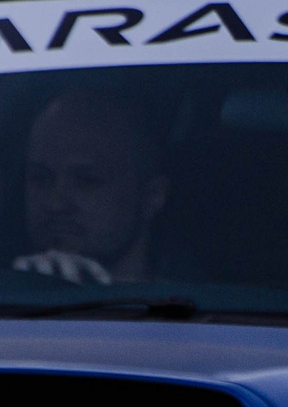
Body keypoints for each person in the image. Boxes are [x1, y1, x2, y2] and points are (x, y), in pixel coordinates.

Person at [13, 88, 170, 285]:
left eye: (86, 181)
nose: (56, 203)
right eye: (40, 179)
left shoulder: (204, 303)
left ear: (152, 197)